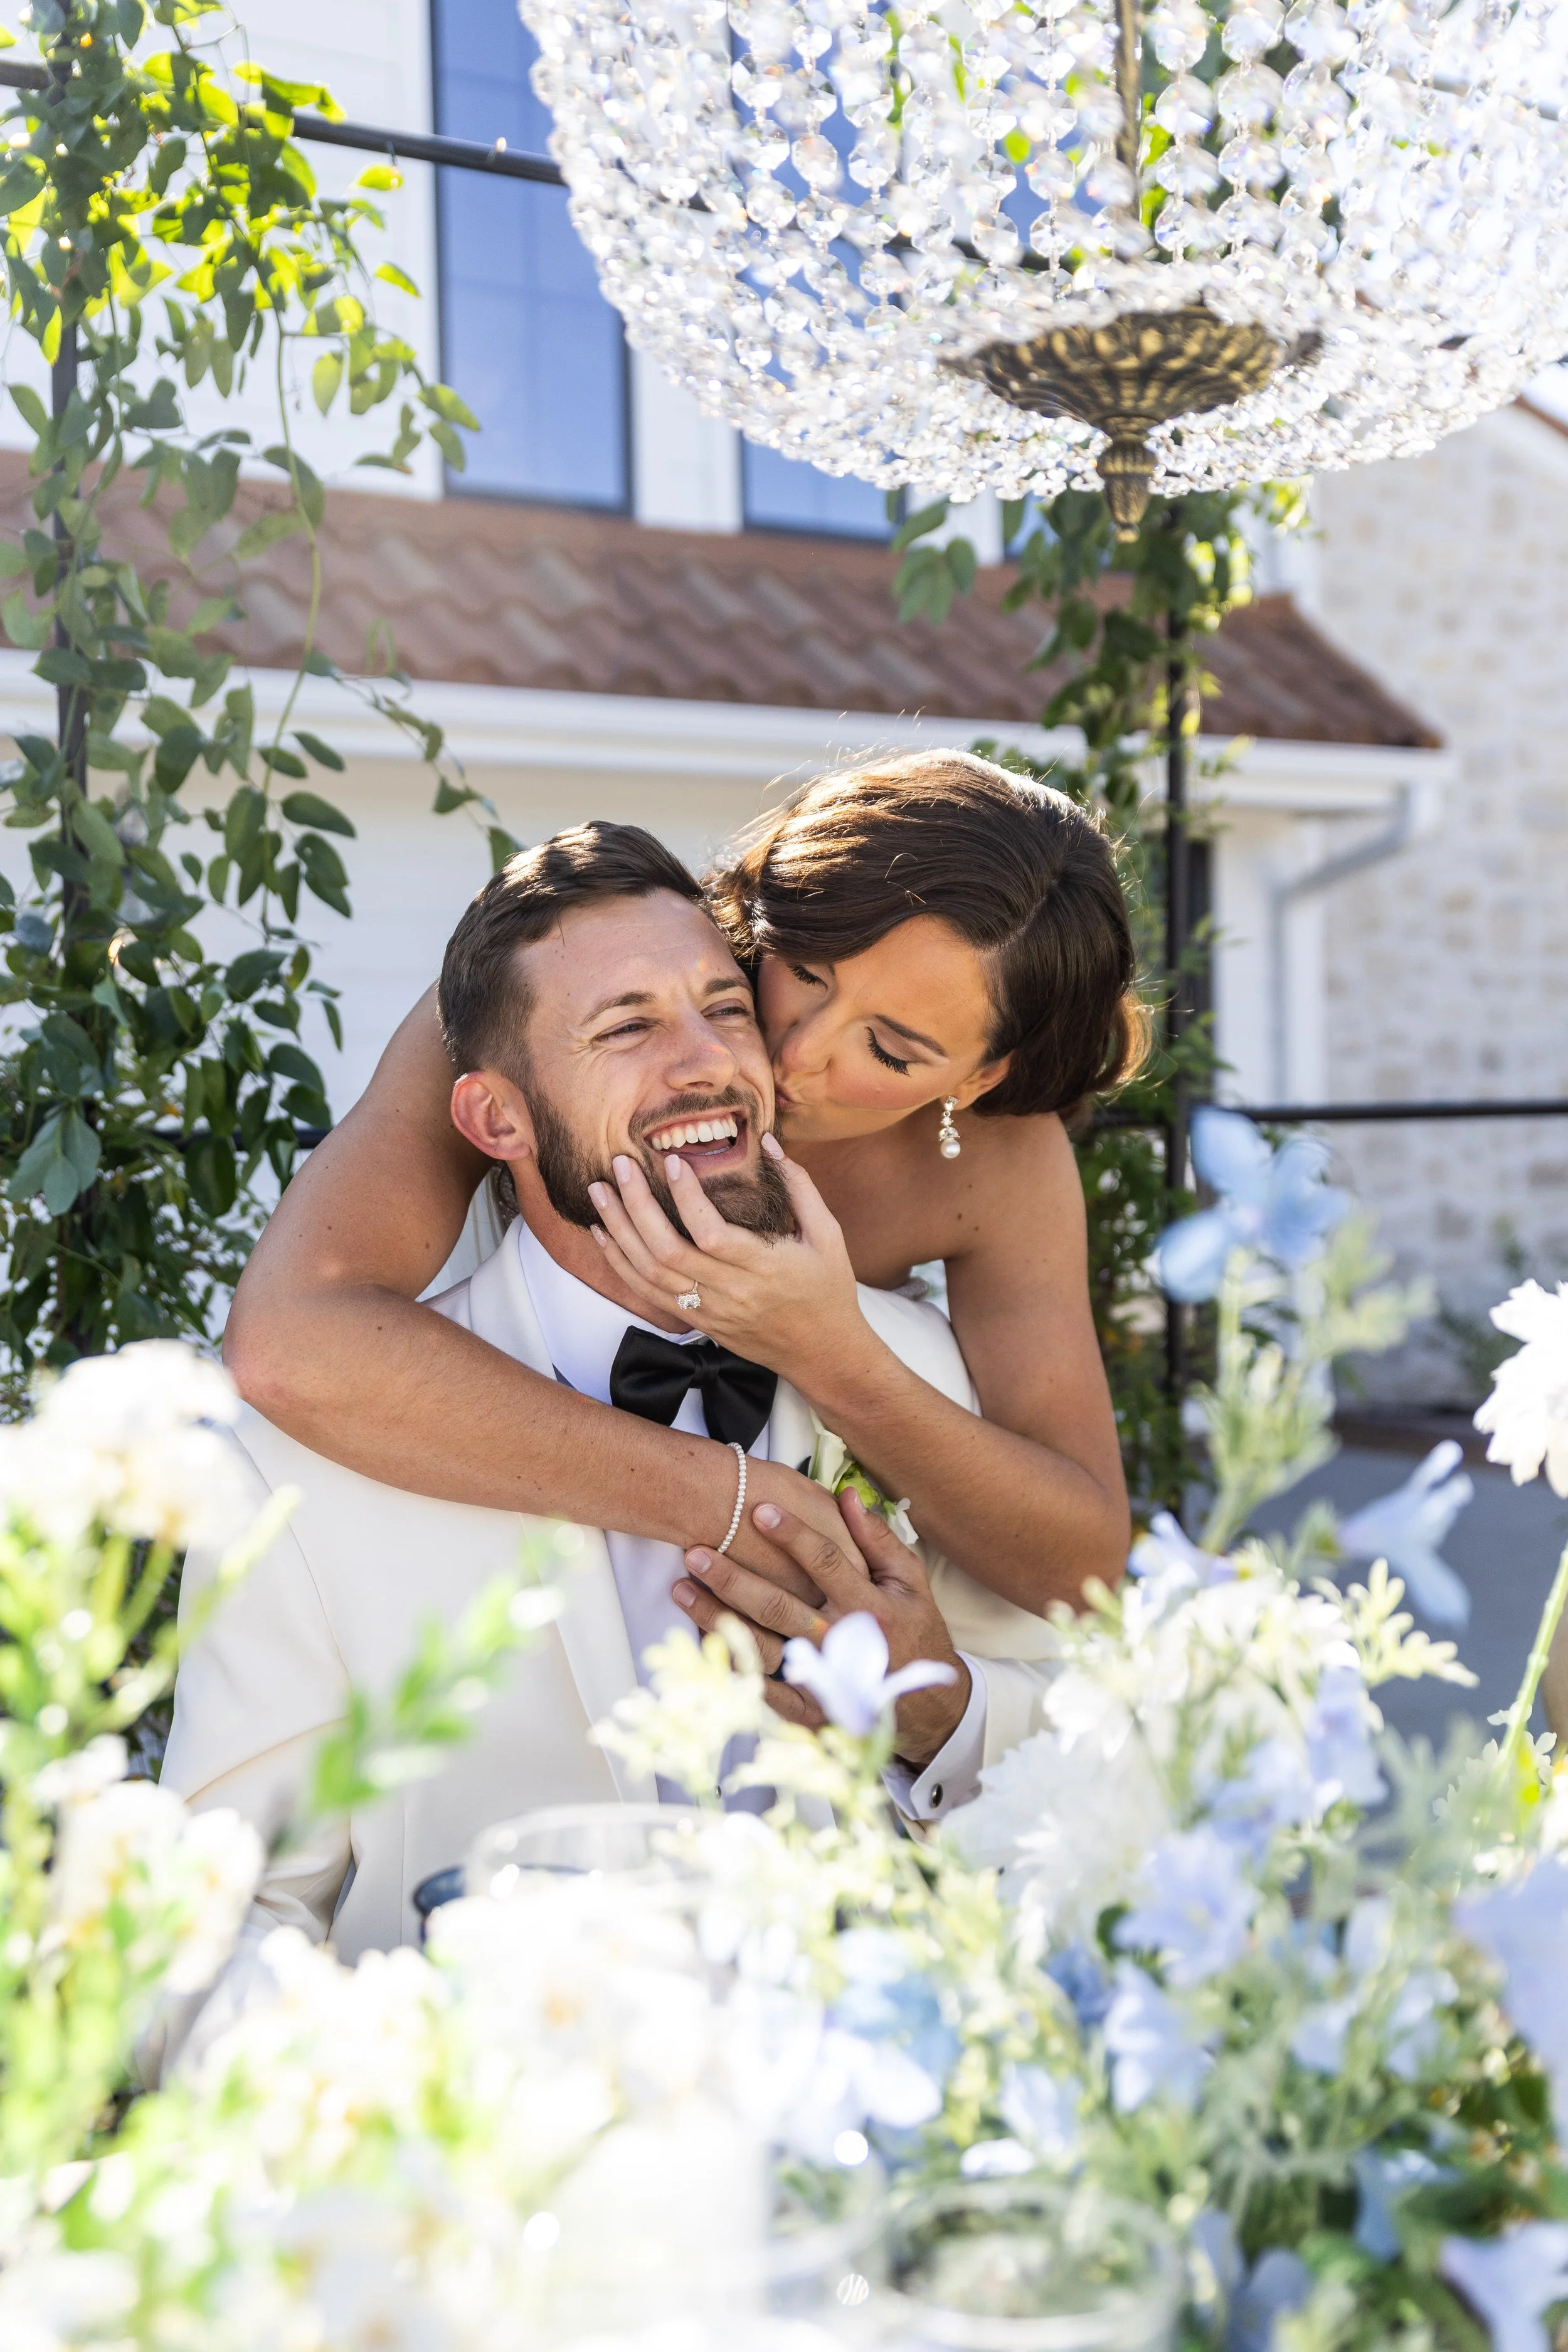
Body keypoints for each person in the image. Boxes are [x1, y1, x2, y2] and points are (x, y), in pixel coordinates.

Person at [162, 825, 1066, 1981]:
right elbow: (210, 1929)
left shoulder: (914, 1378)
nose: (710, 1063)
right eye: (628, 1025)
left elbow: (1087, 1771)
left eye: (726, 1009)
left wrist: (940, 1720)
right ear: (495, 1119)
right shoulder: (299, 1470)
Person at [224, 749, 1142, 1618]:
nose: (794, 1052)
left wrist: (829, 1353)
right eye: (807, 972)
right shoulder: (551, 999)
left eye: (889, 1049)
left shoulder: (993, 1163)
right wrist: (730, 1502)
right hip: (484, 1521)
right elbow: (288, 1341)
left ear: (977, 1078)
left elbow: (1080, 1567)